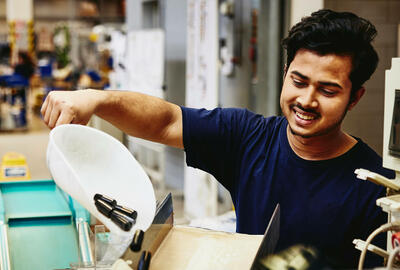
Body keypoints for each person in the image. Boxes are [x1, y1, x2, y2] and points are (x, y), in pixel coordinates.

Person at [41, 9, 394, 268]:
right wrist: (96, 98)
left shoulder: (377, 188)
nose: (306, 100)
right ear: (285, 74)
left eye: (328, 90)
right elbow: (166, 121)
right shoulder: (248, 137)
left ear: (355, 97)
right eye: (299, 82)